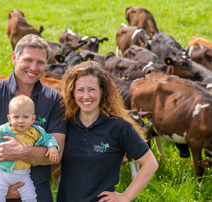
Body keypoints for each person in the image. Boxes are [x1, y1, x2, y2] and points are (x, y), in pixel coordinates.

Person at [0, 34, 66, 202]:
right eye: (27, 60)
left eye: (40, 62)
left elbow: (57, 154)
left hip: (37, 196)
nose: (33, 67)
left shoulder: (54, 100)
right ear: (14, 58)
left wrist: (21, 151)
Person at [57, 61, 158, 202]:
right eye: (80, 90)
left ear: (102, 91)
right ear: (72, 92)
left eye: (92, 89)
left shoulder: (119, 127)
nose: (86, 96)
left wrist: (126, 196)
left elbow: (151, 164)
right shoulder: (64, 124)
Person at [0, 95, 59, 202]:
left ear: (33, 119)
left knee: (31, 197)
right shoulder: (3, 130)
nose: (21, 121)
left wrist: (52, 146)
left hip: (23, 175)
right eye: (16, 117)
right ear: (9, 118)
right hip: (1, 174)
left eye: (25, 117)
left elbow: (49, 138)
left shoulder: (35, 132)